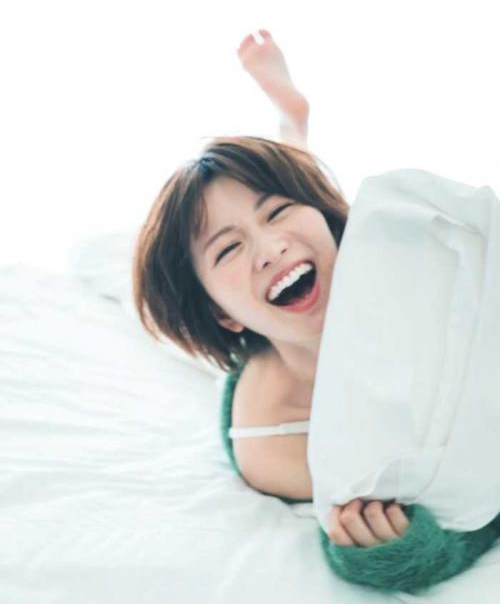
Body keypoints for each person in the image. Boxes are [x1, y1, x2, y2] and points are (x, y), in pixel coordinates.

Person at [132, 30, 500, 595]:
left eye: (277, 212)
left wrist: (290, 125)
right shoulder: (274, 445)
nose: (270, 247)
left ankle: (292, 120)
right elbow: (457, 500)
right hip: (280, 378)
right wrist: (399, 552)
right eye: (228, 249)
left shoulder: (364, 256)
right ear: (223, 315)